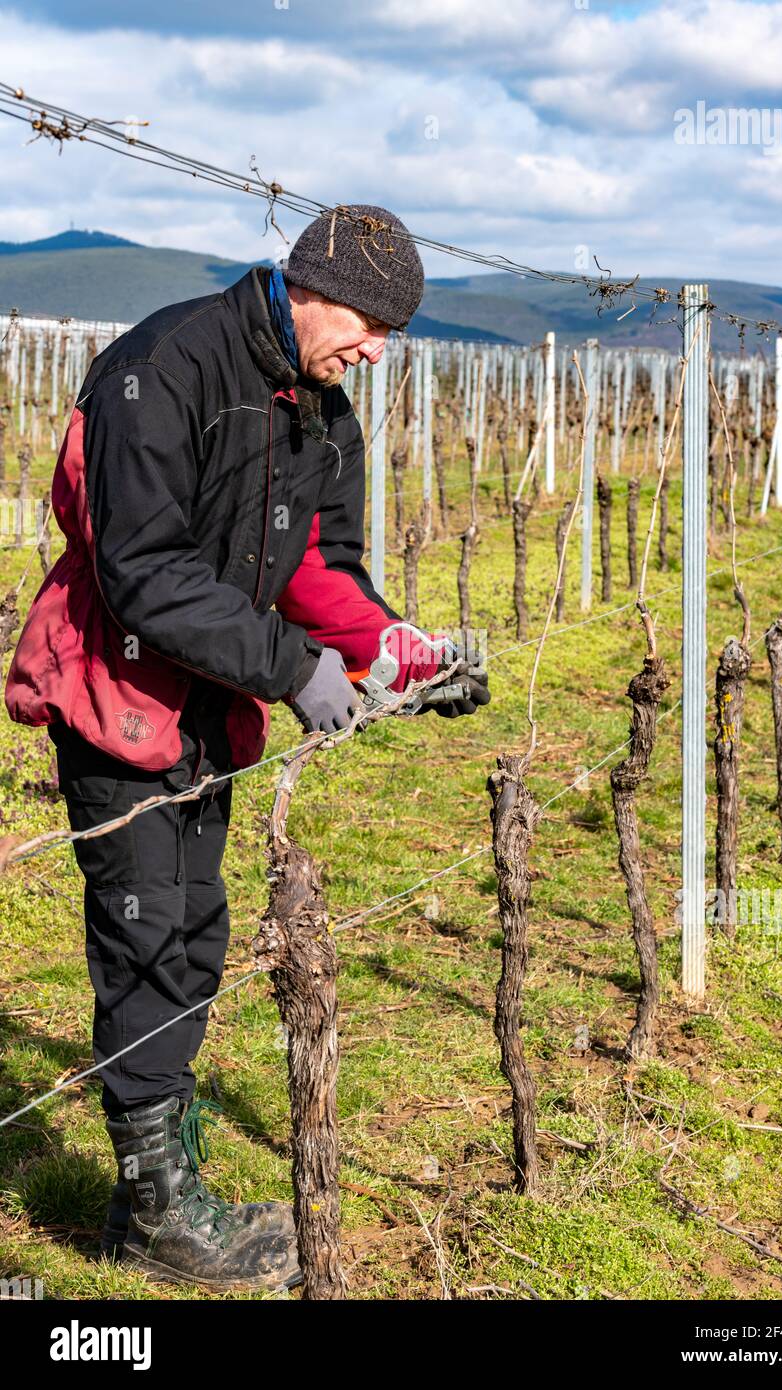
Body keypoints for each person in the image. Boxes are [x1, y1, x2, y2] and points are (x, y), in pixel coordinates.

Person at [4, 203, 490, 1291]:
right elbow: (145, 572)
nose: (375, 349)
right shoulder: (164, 367)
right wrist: (295, 671)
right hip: (116, 690)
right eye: (368, 322)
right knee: (146, 935)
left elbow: (323, 568)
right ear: (307, 285)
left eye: (390, 334)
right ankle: (158, 1213)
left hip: (209, 707)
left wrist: (401, 657)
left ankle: (157, 1182)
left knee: (192, 934)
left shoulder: (325, 410)